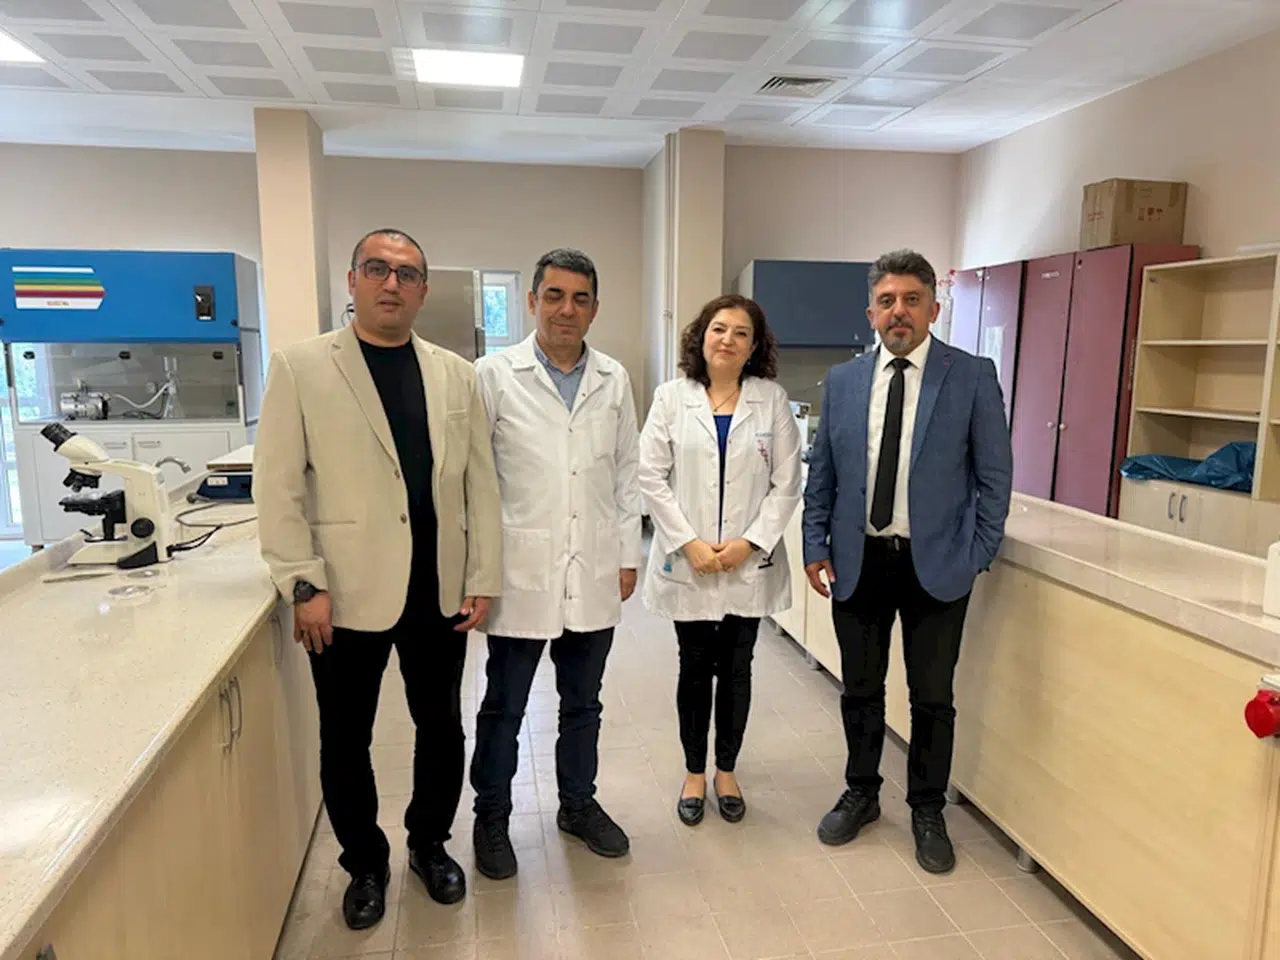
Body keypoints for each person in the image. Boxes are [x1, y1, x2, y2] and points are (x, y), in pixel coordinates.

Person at [254, 228, 502, 930]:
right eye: (377, 269)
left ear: (423, 290)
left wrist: (483, 572)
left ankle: (429, 844)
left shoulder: (455, 373)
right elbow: (277, 487)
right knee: (345, 737)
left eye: (407, 273)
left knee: (441, 727)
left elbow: (480, 482)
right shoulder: (302, 367)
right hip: (343, 593)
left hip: (437, 588)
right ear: (353, 281)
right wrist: (304, 584)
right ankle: (365, 861)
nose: (392, 283)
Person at [802, 248, 1013, 875]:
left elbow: (995, 476)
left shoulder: (971, 376)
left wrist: (978, 552)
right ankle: (862, 793)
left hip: (938, 565)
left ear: (933, 309)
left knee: (932, 697)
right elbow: (824, 474)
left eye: (912, 300)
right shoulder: (845, 381)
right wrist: (815, 544)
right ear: (871, 312)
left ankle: (927, 809)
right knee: (861, 690)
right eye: (887, 301)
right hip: (859, 561)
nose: (899, 312)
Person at [468, 248, 642, 879]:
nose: (566, 309)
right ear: (532, 301)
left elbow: (627, 473)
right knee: (504, 707)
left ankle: (577, 804)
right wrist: (478, 572)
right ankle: (491, 817)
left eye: (580, 298)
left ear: (594, 308)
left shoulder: (614, 379)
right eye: (554, 295)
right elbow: (474, 480)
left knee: (583, 704)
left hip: (592, 567)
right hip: (521, 572)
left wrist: (628, 555)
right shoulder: (493, 375)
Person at [637, 294, 802, 827]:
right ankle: (694, 773)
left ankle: (726, 771)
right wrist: (688, 543)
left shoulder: (771, 401)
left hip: (745, 563)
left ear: (754, 347)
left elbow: (786, 482)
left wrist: (748, 544)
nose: (727, 340)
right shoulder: (671, 398)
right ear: (701, 336)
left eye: (740, 333)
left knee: (736, 668)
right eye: (719, 329)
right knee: (693, 666)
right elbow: (650, 476)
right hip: (689, 561)